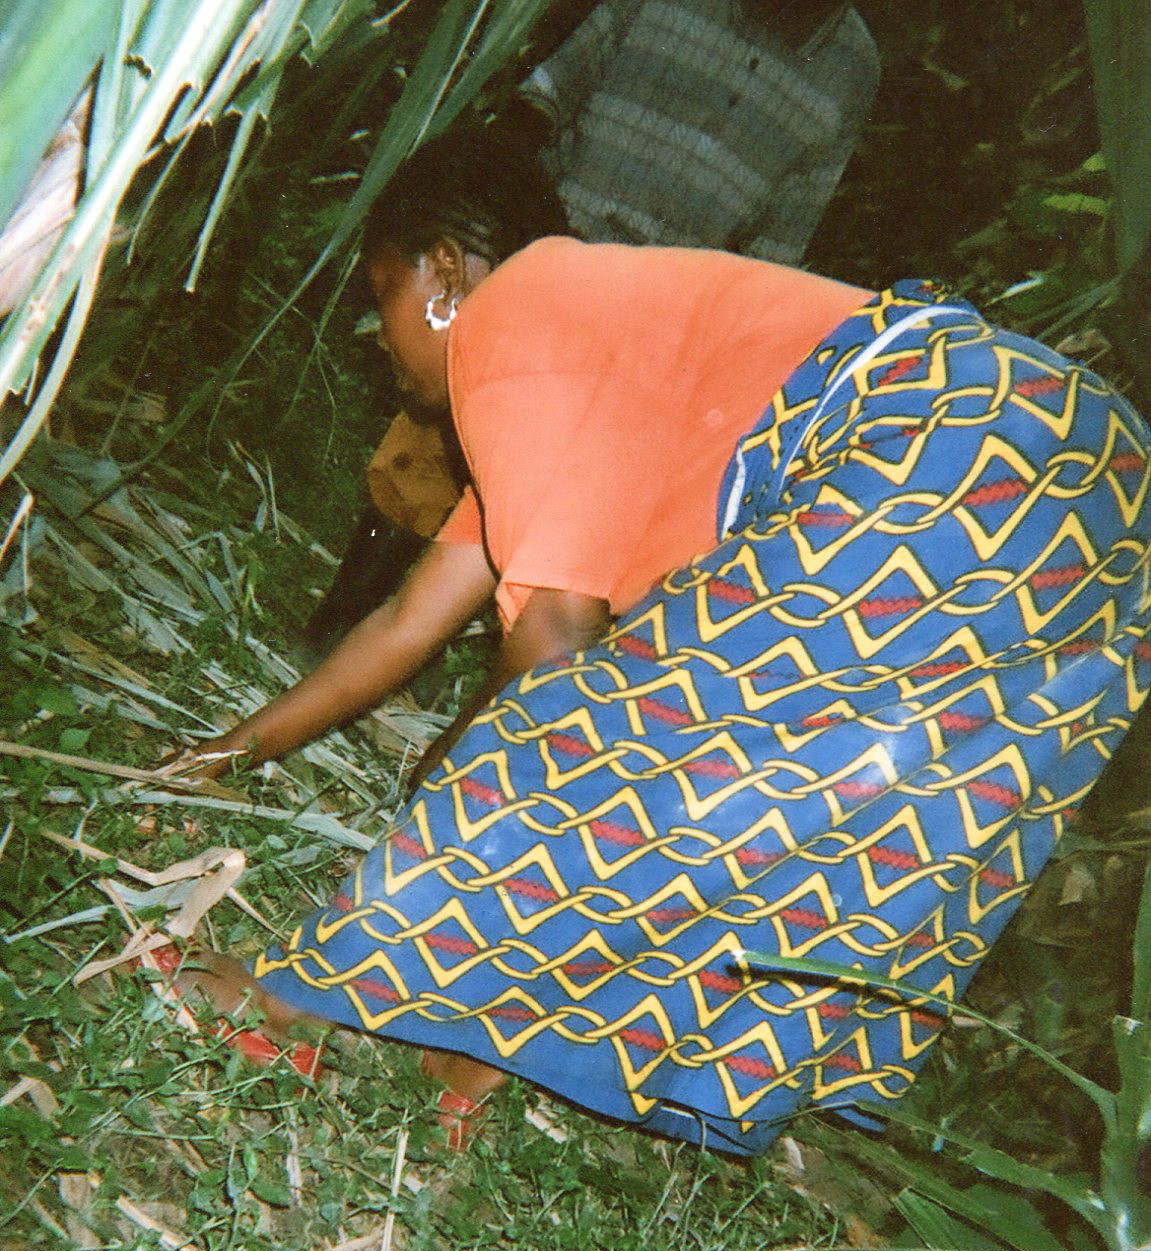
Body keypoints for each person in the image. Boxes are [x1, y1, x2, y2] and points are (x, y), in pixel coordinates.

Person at [170, 123, 1151, 1156]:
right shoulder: (575, 377)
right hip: (1093, 482)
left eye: (383, 296)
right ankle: (492, 1044)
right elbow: (410, 618)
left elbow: (554, 652)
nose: (376, 334)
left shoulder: (517, 315)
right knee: (836, 801)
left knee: (636, 737)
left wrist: (450, 795)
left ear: (450, 276)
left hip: (938, 433)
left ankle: (293, 1006)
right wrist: (236, 749)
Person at [307, 0, 880, 650]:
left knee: (565, 488)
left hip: (660, 310)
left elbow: (788, 223)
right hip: (545, 250)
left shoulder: (851, 69)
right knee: (441, 431)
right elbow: (553, 87)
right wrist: (494, 203)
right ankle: (346, 611)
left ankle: (507, 634)